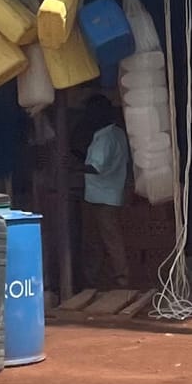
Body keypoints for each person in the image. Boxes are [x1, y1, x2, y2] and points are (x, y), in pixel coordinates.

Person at [76, 94, 131, 290]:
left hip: (100, 197)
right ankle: (103, 279)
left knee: (104, 240)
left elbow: (95, 167)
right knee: (105, 239)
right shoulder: (117, 133)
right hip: (110, 194)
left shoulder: (104, 138)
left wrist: (72, 167)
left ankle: (119, 279)